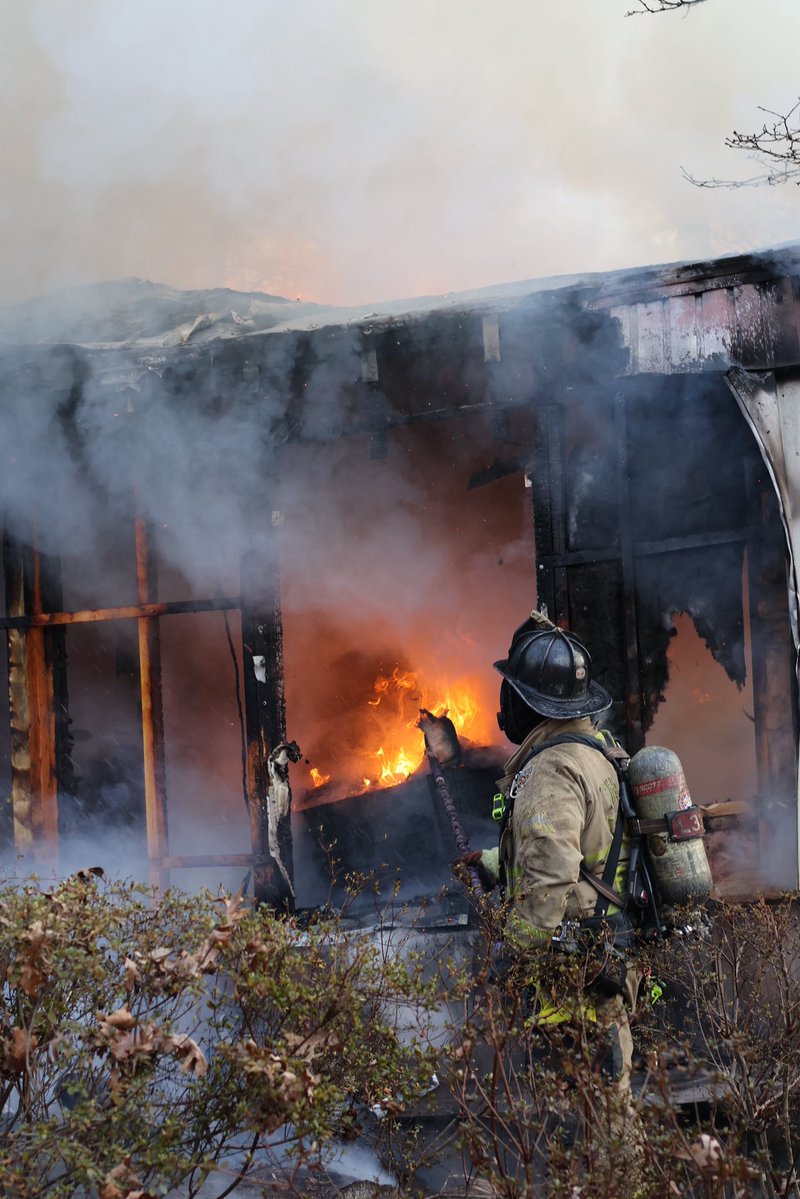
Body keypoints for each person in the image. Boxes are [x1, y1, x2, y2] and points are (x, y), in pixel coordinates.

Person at [458, 612, 642, 1150]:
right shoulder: (593, 751)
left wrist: (504, 962)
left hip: (573, 980)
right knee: (607, 1113)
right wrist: (494, 863)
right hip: (603, 960)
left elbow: (546, 884)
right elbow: (584, 851)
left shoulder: (550, 770)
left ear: (528, 700)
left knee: (590, 1129)